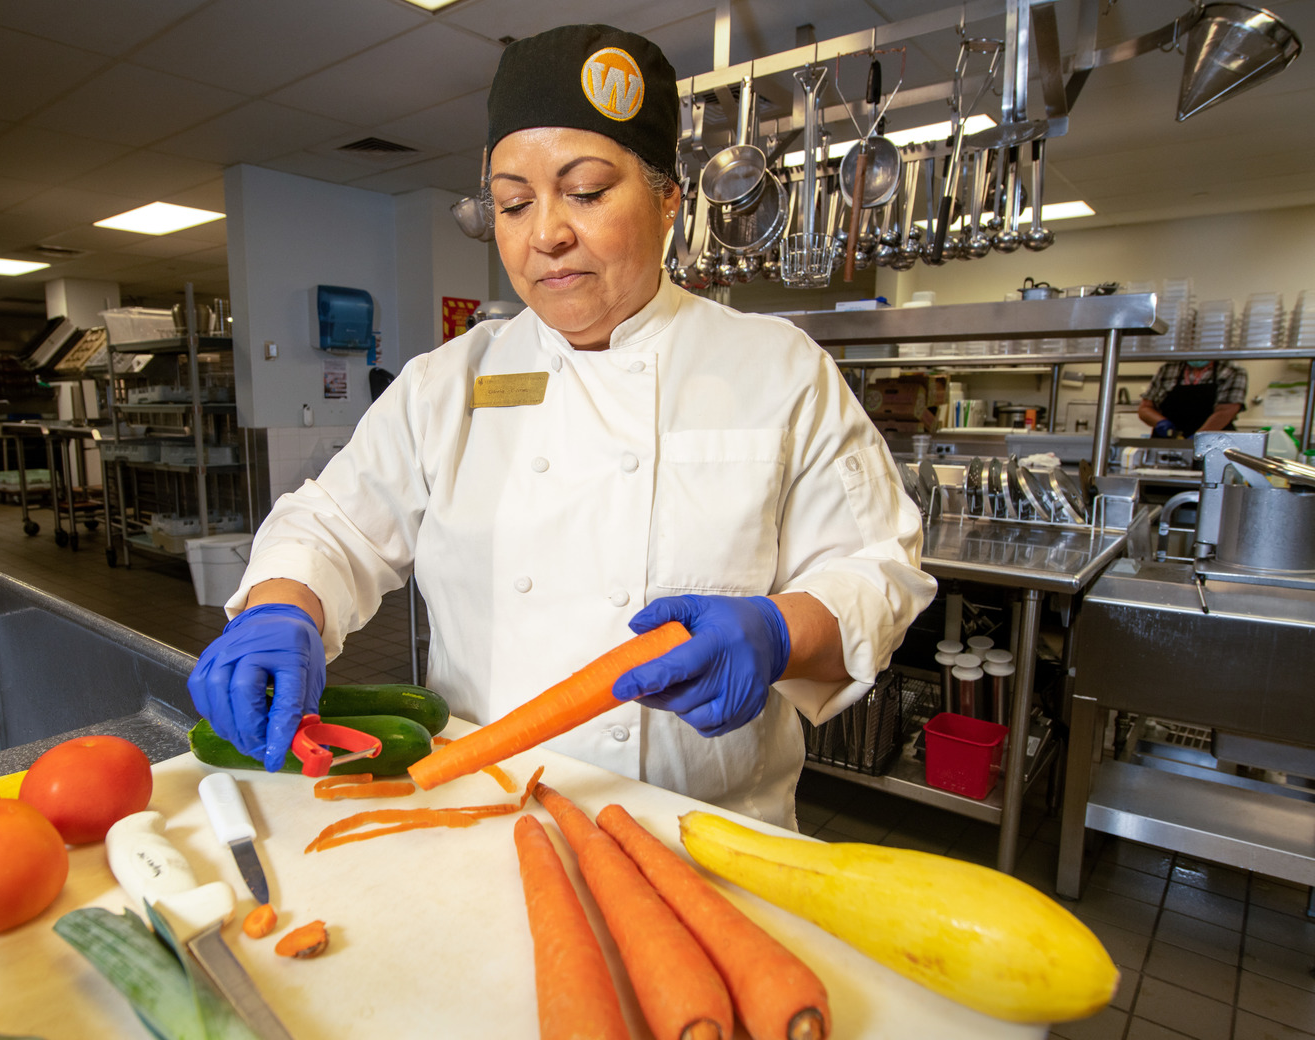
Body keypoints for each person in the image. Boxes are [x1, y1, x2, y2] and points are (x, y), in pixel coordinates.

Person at [188, 24, 935, 827]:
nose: (545, 232)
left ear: (667, 199)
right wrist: (280, 605)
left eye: (584, 192)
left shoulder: (778, 369)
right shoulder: (449, 382)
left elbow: (876, 570)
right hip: (482, 813)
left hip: (709, 833)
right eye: (512, 203)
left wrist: (780, 633)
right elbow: (335, 526)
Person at [1138, 358, 1247, 438]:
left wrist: (1198, 438)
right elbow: (1145, 408)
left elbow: (1226, 411)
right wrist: (1160, 422)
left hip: (1211, 444)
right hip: (1169, 442)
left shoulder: (1231, 371)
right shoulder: (1168, 369)